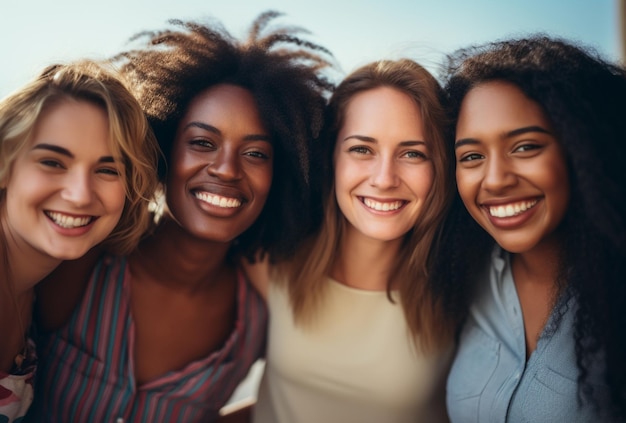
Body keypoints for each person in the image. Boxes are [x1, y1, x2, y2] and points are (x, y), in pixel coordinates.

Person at [28, 11, 333, 423]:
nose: (226, 169)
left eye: (256, 153)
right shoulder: (83, 257)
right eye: (203, 142)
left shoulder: (259, 319)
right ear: (164, 148)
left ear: (281, 177)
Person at [249, 58, 459, 423]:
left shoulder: (462, 292)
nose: (384, 178)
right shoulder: (270, 262)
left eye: (413, 153)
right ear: (331, 157)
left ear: (440, 168)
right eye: (362, 149)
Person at [439, 36, 626, 422]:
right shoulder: (460, 279)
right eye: (472, 156)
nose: (495, 180)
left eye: (525, 147)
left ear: (581, 147)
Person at [0, 60, 159, 422]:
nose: (79, 194)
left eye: (107, 169)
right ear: (5, 164)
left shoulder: (38, 286)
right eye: (53, 162)